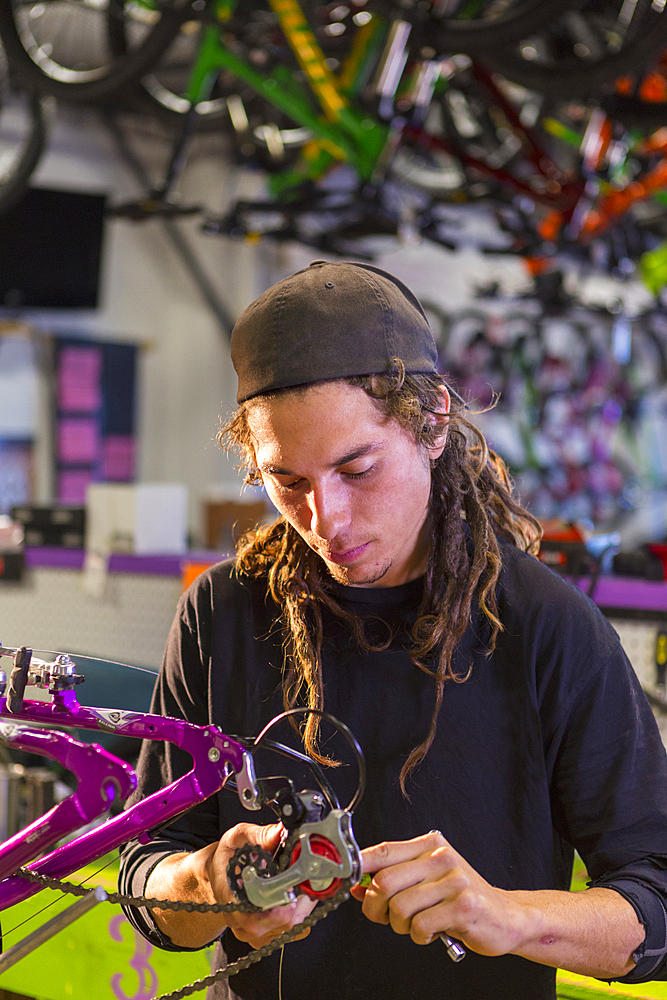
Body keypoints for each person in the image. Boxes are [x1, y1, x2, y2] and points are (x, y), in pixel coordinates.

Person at [120, 260, 667, 1000]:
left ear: (432, 421)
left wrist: (503, 917)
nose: (326, 520)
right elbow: (147, 867)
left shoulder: (546, 627)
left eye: (357, 469)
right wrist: (206, 881)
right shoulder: (221, 612)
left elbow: (654, 904)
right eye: (289, 483)